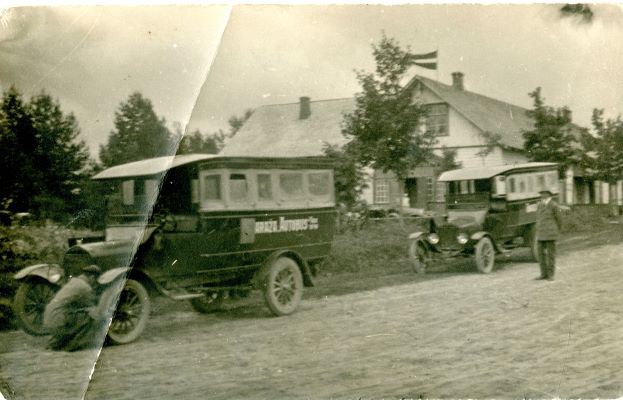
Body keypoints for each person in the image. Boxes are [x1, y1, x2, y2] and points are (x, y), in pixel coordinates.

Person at [43, 265, 109, 351]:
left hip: (49, 320)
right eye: (95, 280)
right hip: (59, 321)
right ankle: (72, 346)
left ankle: (54, 343)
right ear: (92, 277)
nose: (95, 283)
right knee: (91, 318)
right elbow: (93, 309)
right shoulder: (85, 287)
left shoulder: (73, 281)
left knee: (77, 318)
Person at [535, 189, 564, 281]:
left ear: (548, 194)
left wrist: (557, 231)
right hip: (541, 233)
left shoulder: (554, 205)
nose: (542, 195)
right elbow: (538, 218)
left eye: (543, 193)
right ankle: (543, 274)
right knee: (540, 255)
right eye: (541, 193)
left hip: (550, 233)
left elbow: (559, 220)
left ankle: (551, 275)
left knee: (551, 255)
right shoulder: (539, 205)